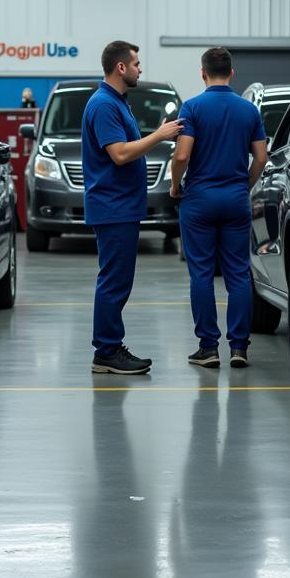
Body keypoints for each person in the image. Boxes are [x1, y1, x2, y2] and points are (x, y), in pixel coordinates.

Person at [82, 40, 183, 374]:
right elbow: (120, 153)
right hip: (113, 207)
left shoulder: (117, 103)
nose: (141, 69)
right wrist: (159, 134)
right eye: (137, 64)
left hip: (121, 206)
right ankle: (107, 352)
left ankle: (109, 347)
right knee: (114, 280)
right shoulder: (103, 106)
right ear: (121, 67)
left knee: (118, 279)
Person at [170, 47, 269, 369]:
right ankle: (239, 347)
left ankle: (208, 348)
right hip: (235, 198)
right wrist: (246, 184)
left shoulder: (193, 108)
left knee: (201, 273)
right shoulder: (248, 110)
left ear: (203, 73)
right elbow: (262, 158)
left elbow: (182, 155)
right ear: (232, 73)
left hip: (199, 199)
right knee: (239, 273)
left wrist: (175, 185)